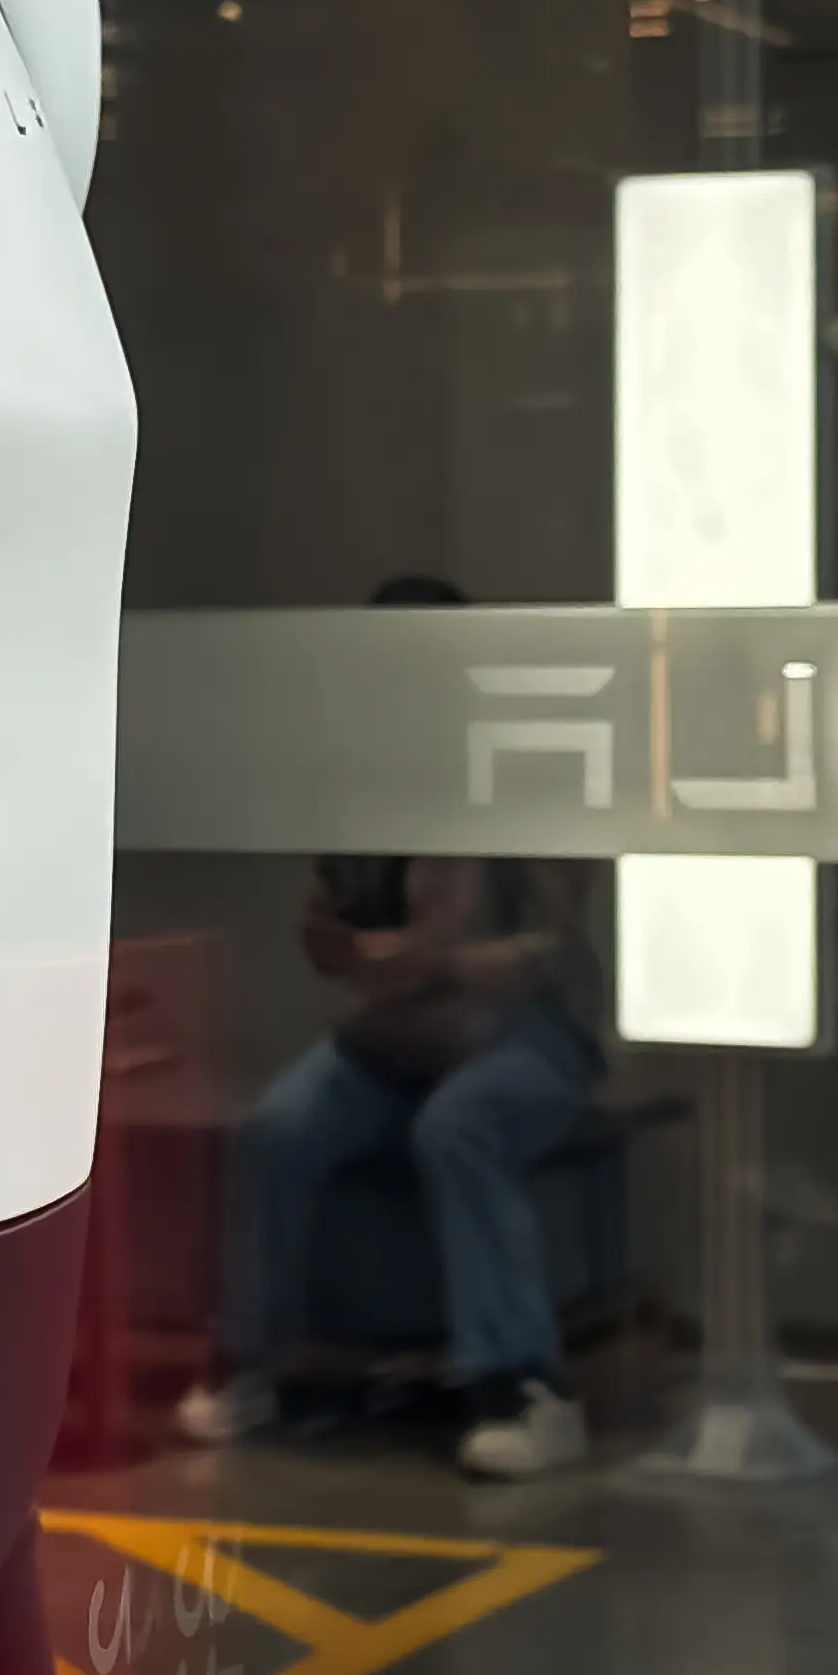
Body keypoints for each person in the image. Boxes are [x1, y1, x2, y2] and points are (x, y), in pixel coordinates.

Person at [177, 581, 606, 1479]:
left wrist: (425, 958)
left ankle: (522, 1385)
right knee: (278, 1129)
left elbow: (545, 953)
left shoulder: (517, 770)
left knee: (459, 1126)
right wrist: (403, 957)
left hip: (528, 1037)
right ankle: (250, 1361)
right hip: (399, 1034)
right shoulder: (370, 784)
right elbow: (333, 936)